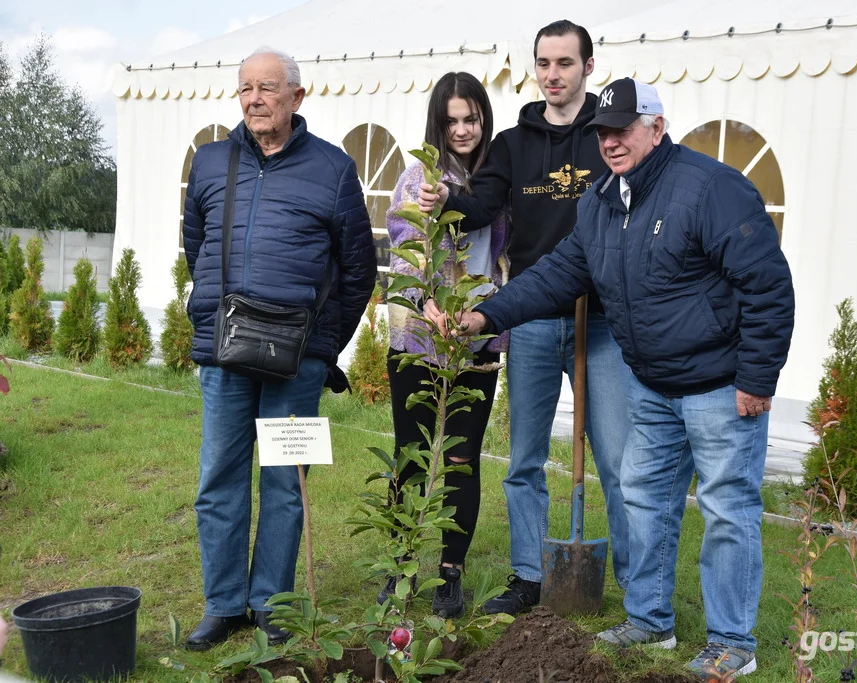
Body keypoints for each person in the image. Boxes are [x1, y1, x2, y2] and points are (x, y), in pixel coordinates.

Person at [426, 78, 795, 680]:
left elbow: (767, 286)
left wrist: (757, 378)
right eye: (603, 131)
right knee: (644, 499)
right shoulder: (602, 201)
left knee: (728, 509)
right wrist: (481, 316)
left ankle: (732, 642)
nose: (612, 141)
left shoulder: (710, 189)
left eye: (624, 128)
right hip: (651, 382)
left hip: (720, 386)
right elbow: (556, 274)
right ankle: (650, 621)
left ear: (657, 125)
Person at [417, 19, 631, 616]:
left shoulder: (607, 137)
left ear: (589, 66)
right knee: (525, 460)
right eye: (544, 63)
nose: (553, 75)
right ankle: (528, 577)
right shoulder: (513, 144)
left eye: (565, 63)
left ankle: (635, 585)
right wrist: (449, 201)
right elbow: (484, 202)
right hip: (535, 316)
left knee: (616, 459)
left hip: (606, 323)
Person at [182, 47, 376, 650]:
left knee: (284, 480)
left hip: (298, 358)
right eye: (245, 89)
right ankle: (223, 604)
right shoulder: (211, 162)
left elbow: (358, 270)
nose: (255, 99)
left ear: (297, 95)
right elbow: (196, 246)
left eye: (268, 88)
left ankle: (271, 601)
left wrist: (323, 348)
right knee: (219, 477)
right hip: (224, 350)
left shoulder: (336, 169)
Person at [381, 72, 510, 618]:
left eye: (472, 118)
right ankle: (399, 563)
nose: (462, 129)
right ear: (438, 123)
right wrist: (429, 302)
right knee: (412, 456)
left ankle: (449, 575)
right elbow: (405, 243)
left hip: (477, 339)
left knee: (461, 458)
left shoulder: (496, 183)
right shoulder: (419, 180)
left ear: (483, 118)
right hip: (418, 338)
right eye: (452, 120)